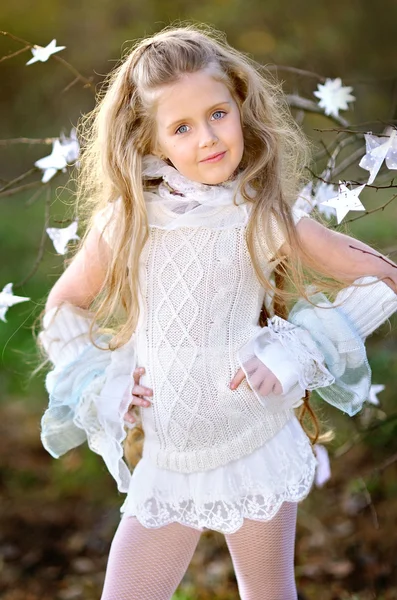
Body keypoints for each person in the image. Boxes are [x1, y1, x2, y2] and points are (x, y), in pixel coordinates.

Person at [36, 24, 397, 600]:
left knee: (269, 594)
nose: (208, 137)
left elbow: (385, 277)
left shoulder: (263, 216)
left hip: (255, 441)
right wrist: (102, 379)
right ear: (150, 142)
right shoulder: (128, 221)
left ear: (239, 104)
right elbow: (63, 306)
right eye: (181, 127)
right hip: (169, 462)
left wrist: (293, 351)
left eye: (217, 113)